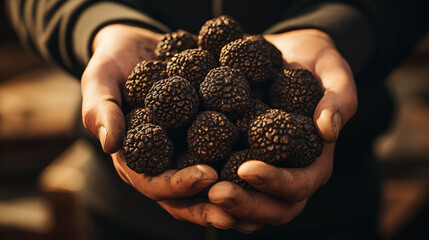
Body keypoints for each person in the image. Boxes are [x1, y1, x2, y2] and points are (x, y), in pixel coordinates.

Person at [6, 0, 428, 239]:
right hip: (123, 215)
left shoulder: (250, 95)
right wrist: (97, 24)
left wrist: (341, 29)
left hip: (332, 212)